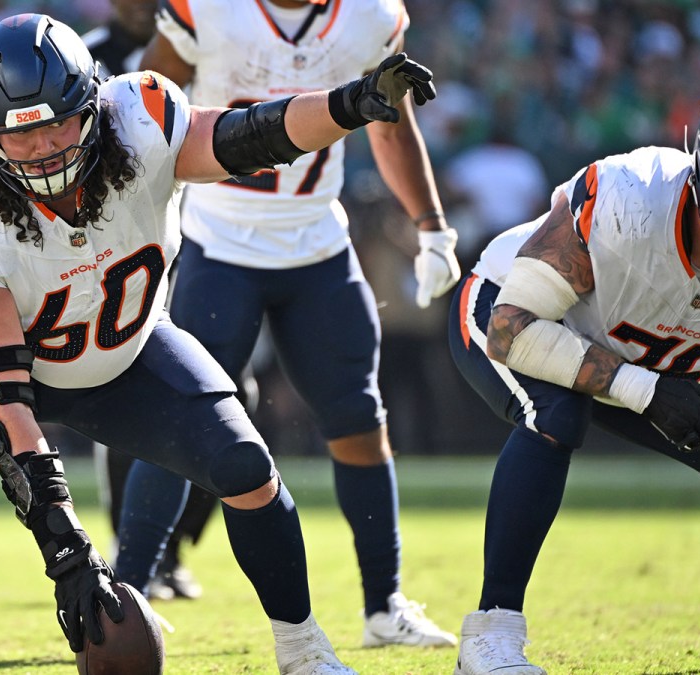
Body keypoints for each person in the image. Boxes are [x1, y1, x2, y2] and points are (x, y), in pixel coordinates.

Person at [0, 12, 436, 675]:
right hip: (5, 362)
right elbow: (6, 405)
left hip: (124, 346)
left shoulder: (140, 122)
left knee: (246, 465)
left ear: (91, 105)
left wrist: (347, 104)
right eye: (20, 135)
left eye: (57, 124)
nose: (43, 148)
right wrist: (68, 550)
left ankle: (304, 649)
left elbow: (250, 135)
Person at [110, 0, 460, 648]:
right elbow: (144, 110)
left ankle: (384, 605)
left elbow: (390, 126)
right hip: (218, 241)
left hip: (316, 244)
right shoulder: (207, 8)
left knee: (359, 421)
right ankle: (124, 599)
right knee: (177, 422)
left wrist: (432, 223)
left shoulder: (370, 15)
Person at [448, 82, 700, 674]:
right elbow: (513, 330)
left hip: (660, 356)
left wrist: (651, 383)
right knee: (556, 414)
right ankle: (490, 635)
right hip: (518, 311)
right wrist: (644, 390)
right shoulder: (632, 197)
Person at [82, 0, 220, 602]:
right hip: (117, 254)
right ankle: (136, 550)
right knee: (129, 403)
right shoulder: (84, 57)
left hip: (196, 237)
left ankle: (175, 545)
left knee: (228, 392)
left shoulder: (202, 41)